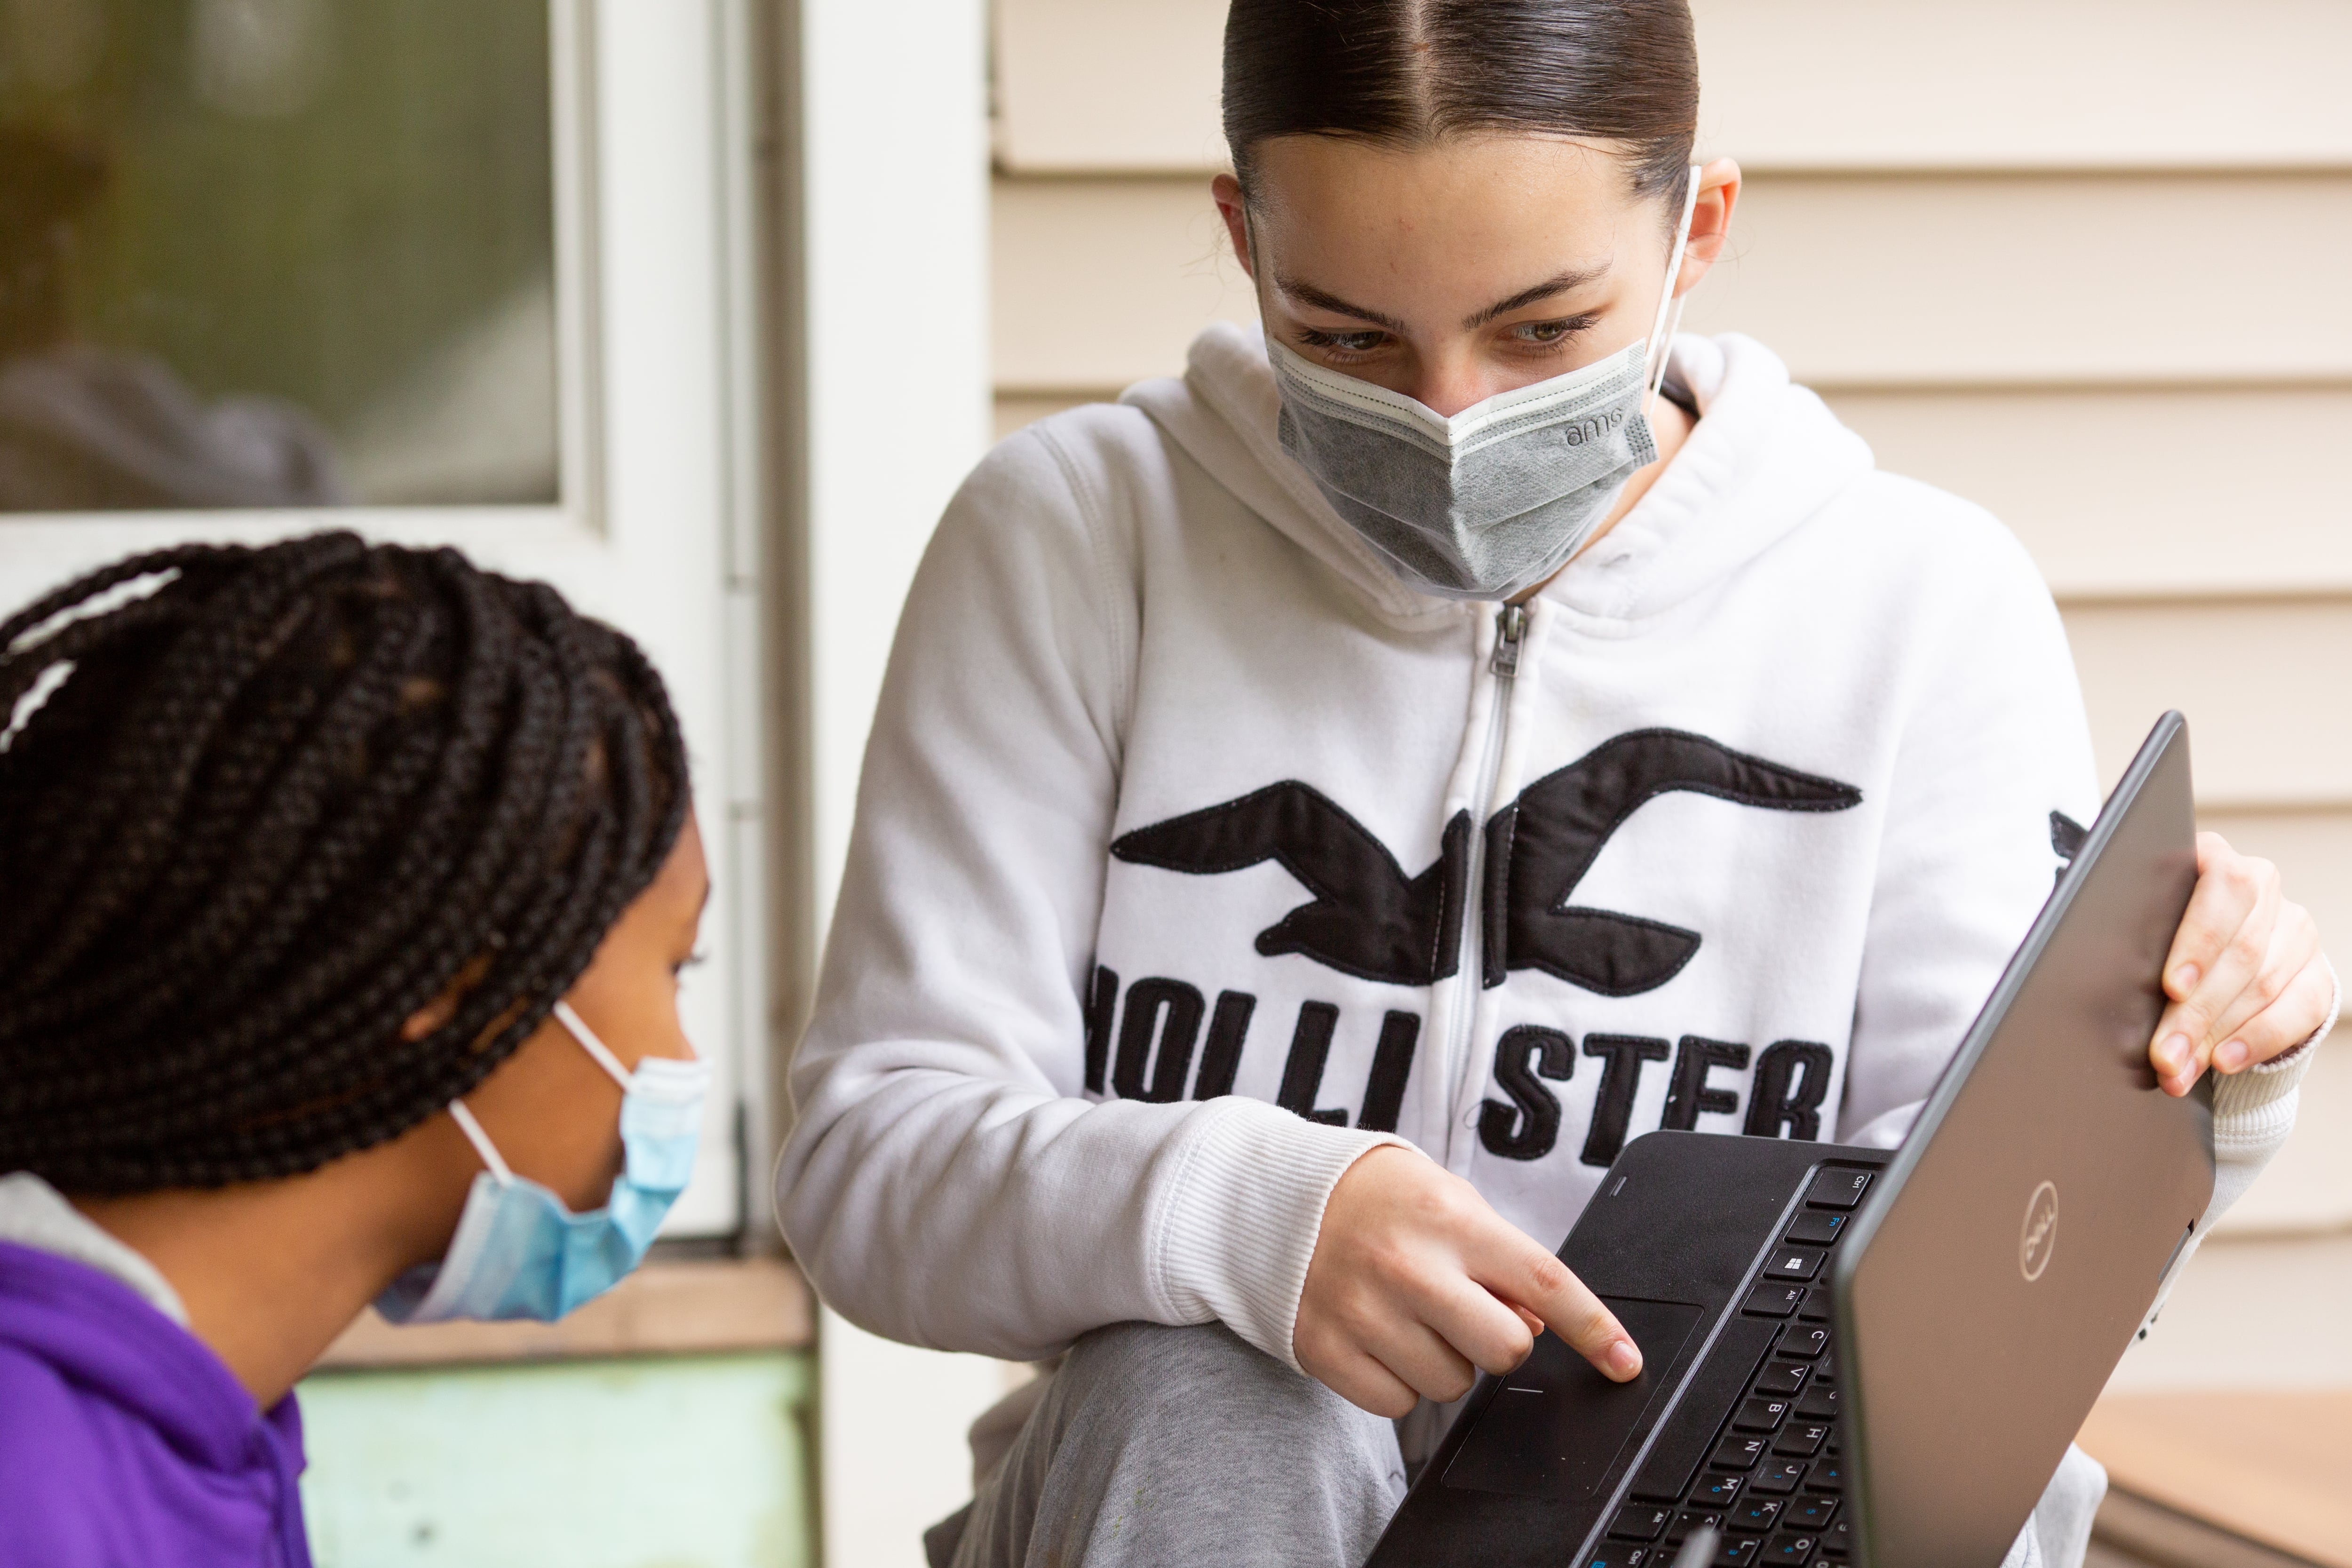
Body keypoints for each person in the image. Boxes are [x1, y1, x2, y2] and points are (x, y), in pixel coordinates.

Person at [776, 4, 2336, 1565]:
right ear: (1242, 237)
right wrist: (1252, 1209)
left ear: (1696, 229)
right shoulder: (1070, 543)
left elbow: (1983, 1261)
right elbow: (875, 1157)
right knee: (1203, 1389)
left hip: (1699, 1508)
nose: (1449, 421)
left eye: (1543, 332)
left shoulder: (1924, 603)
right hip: (1189, 1506)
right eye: (1347, 337)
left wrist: (2190, 1079)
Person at [0, 532, 707, 1567]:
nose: (684, 1055)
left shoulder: (210, 1414)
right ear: (454, 972)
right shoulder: (36, 1482)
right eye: (677, 968)